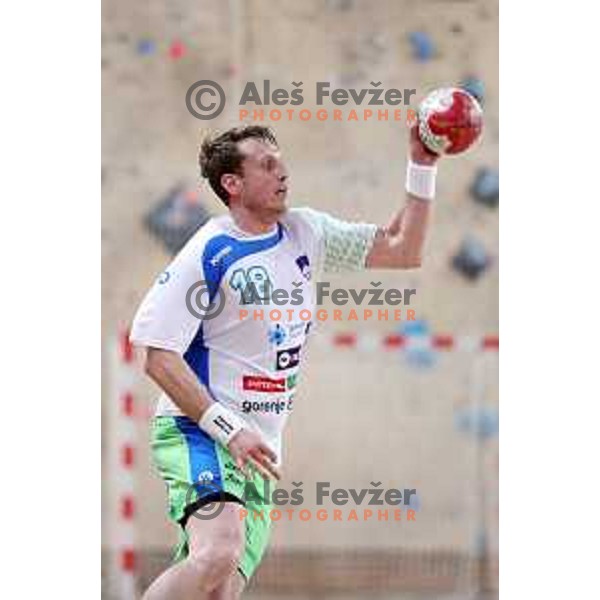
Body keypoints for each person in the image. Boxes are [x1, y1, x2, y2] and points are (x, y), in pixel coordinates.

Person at [130, 123, 440, 599]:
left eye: (281, 161)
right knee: (217, 552)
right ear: (232, 184)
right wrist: (228, 429)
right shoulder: (211, 250)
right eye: (266, 164)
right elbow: (156, 355)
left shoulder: (305, 231)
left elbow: (404, 249)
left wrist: (423, 165)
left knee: (220, 589)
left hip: (261, 448)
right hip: (200, 430)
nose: (283, 171)